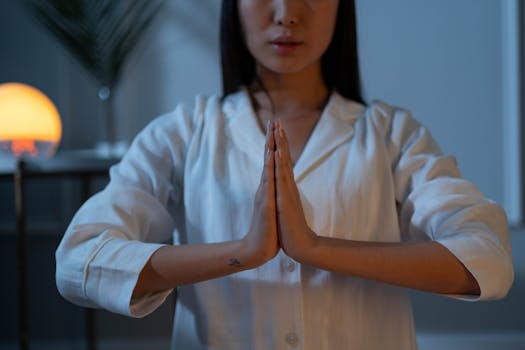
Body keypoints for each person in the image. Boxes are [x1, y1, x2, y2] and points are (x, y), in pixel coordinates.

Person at [55, 0, 514, 349]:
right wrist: (241, 252)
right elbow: (80, 259)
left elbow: (487, 258)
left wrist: (316, 249)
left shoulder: (392, 134)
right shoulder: (182, 133)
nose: (286, 13)